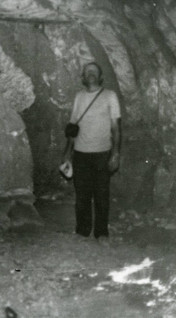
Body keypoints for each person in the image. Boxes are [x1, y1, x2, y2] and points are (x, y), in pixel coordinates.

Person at [62, 62, 121, 245]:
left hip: (102, 153)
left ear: (100, 76)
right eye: (88, 72)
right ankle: (82, 231)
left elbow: (116, 129)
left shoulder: (110, 96)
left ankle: (101, 233)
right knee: (82, 195)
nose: (91, 74)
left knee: (102, 195)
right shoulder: (79, 97)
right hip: (80, 153)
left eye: (94, 71)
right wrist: (67, 154)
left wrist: (116, 153)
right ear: (83, 77)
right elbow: (73, 128)